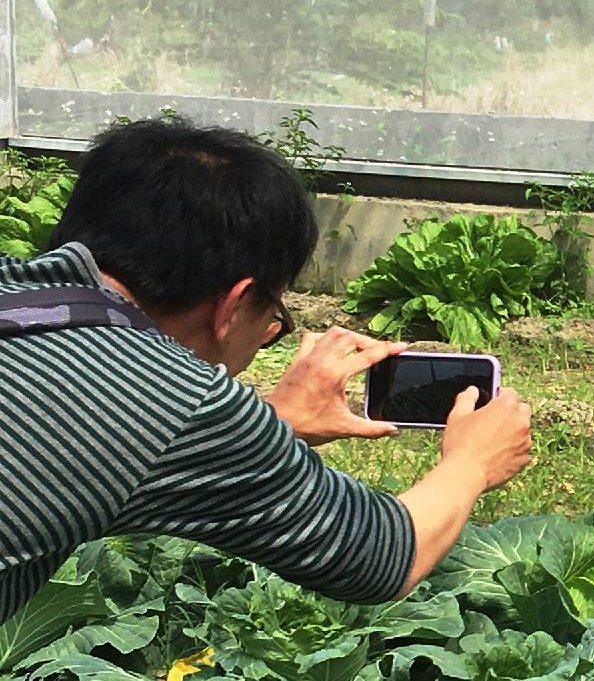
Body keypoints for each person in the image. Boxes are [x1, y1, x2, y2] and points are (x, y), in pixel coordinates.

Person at [0, 116, 533, 623]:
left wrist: (268, 424)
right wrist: (473, 462)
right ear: (233, 307)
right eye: (274, 314)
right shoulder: (182, 402)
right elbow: (385, 555)